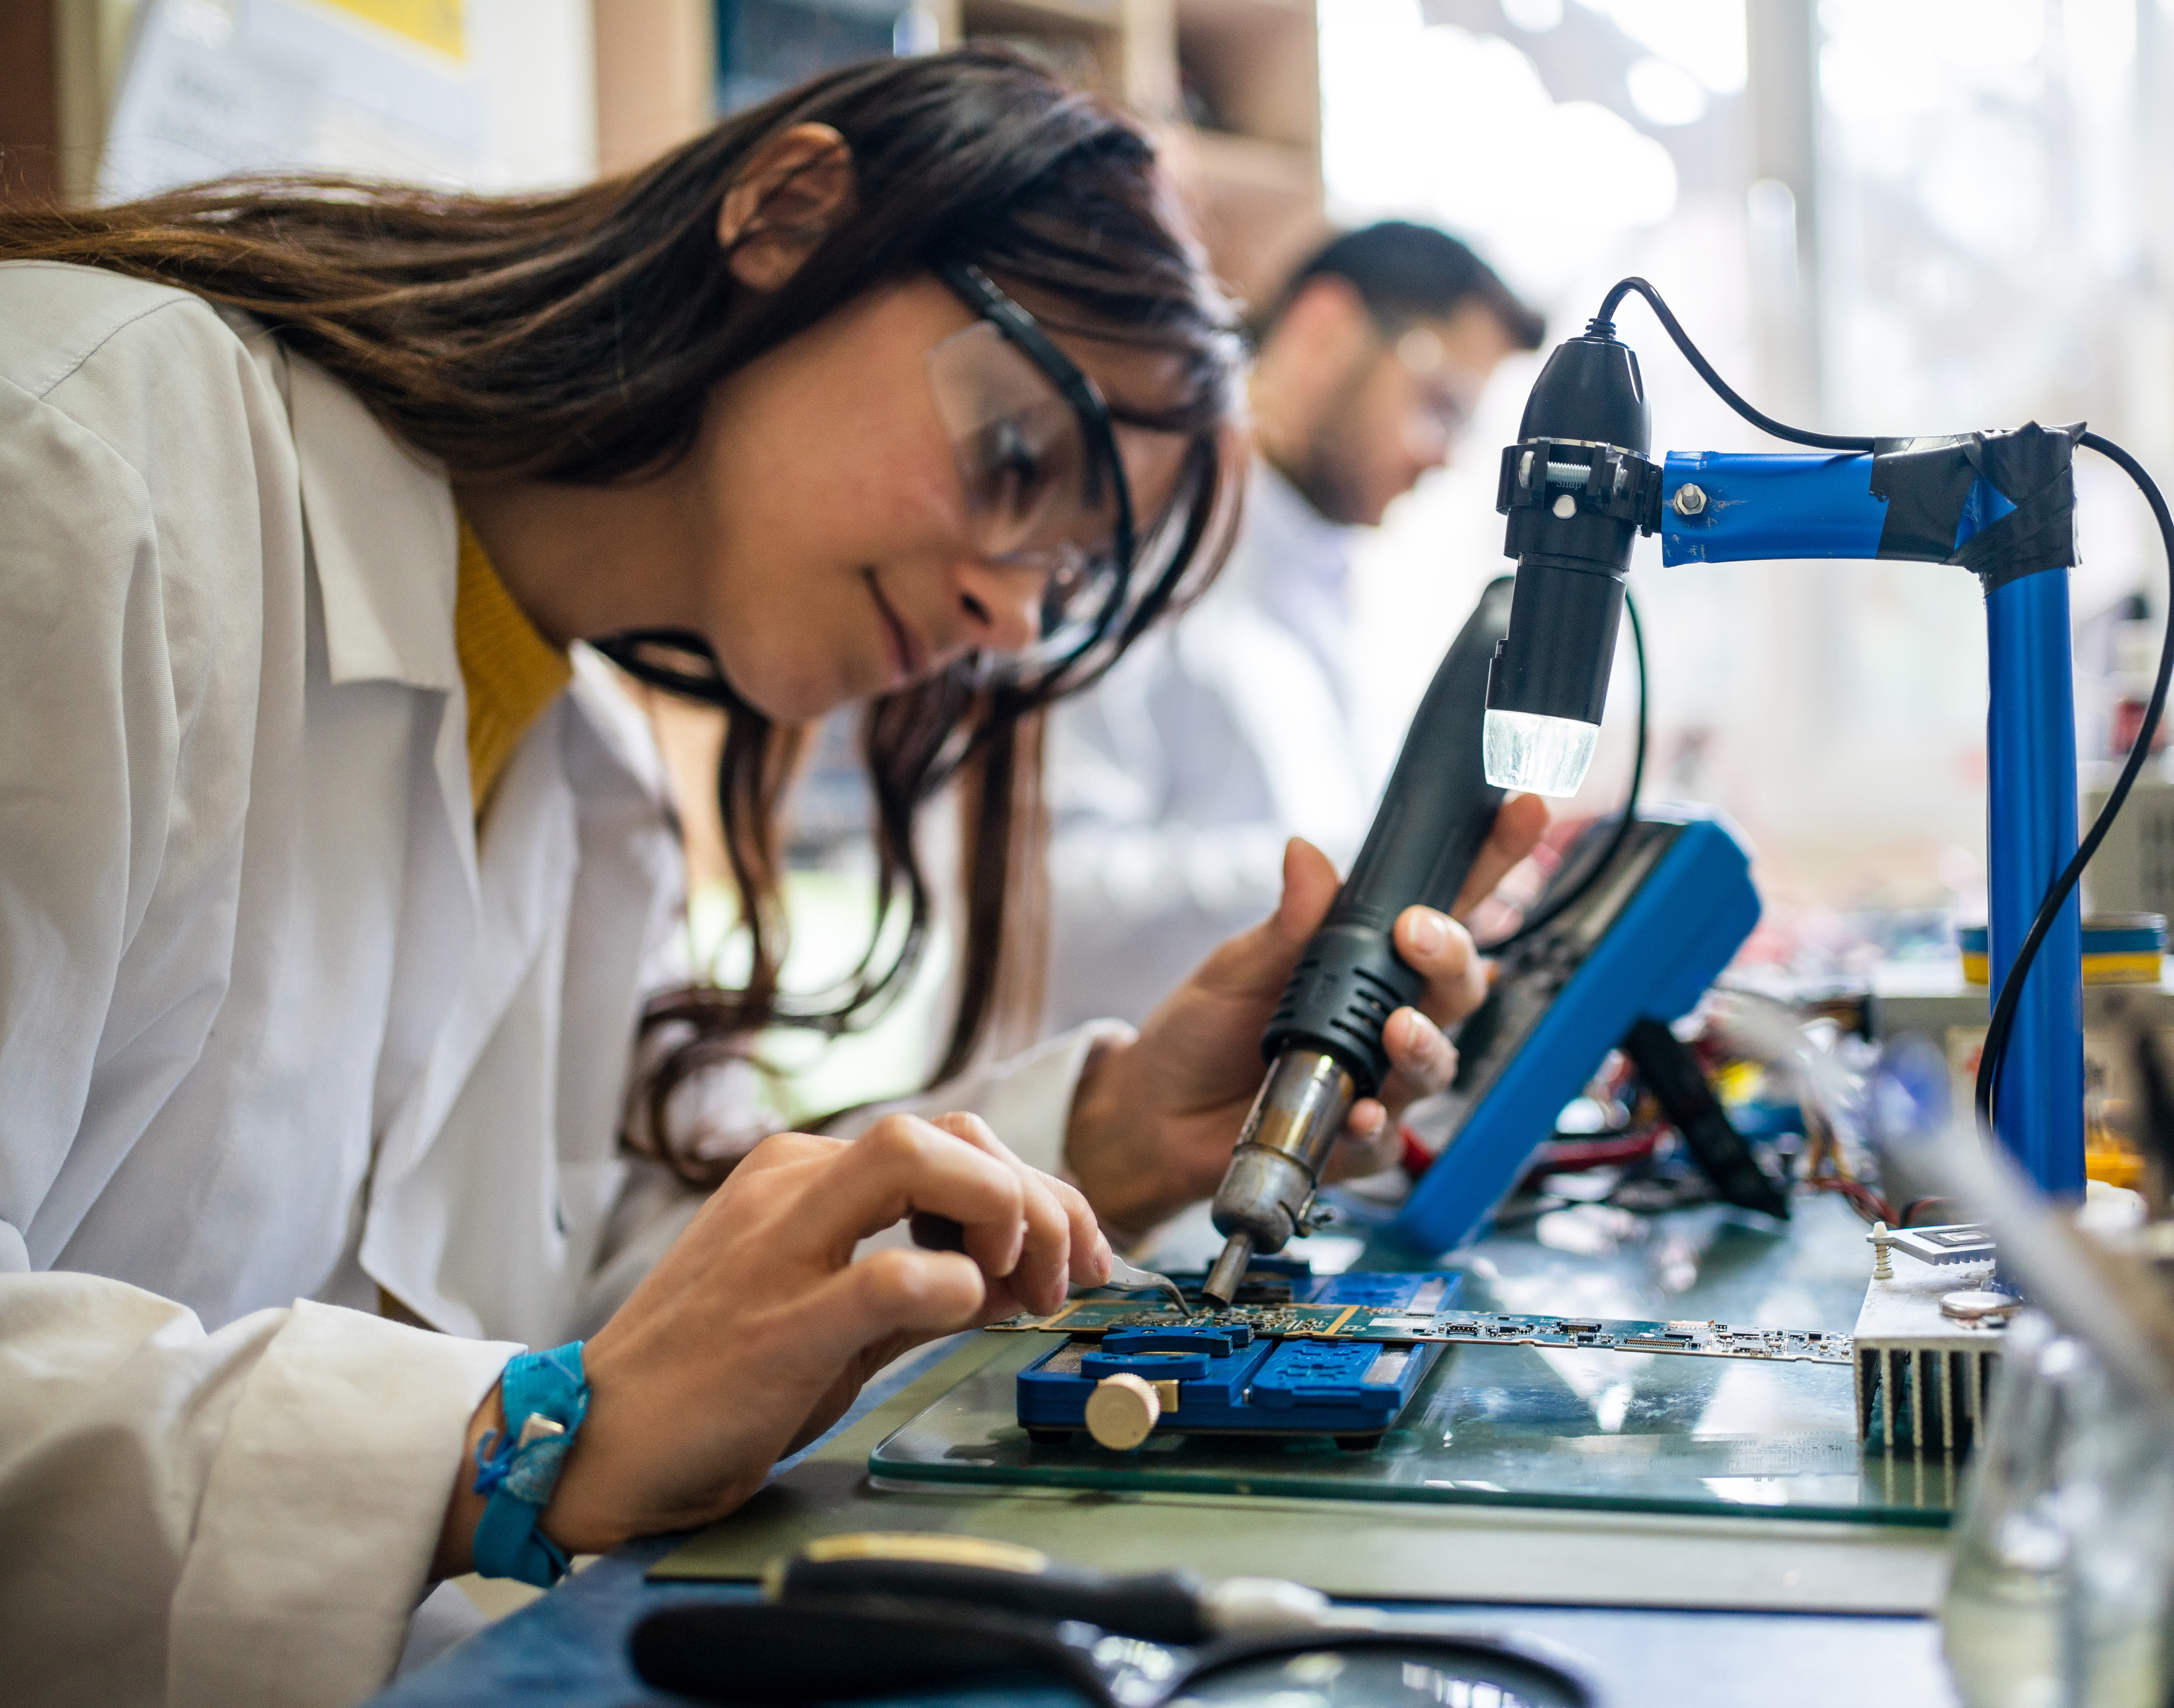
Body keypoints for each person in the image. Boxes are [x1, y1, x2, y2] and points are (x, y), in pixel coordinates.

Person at [0, 50, 1542, 1707]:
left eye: (1063, 575)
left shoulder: (587, 781)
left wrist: (1098, 1137)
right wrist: (517, 1445)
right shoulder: (81, 467)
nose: (1010, 618)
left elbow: (535, 1300)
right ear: (790, 217)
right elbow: (538, 1399)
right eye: (1015, 463)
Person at [1043, 223, 1547, 1033]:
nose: (1442, 457)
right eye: (1439, 405)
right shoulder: (1124, 556)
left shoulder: (1334, 589)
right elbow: (1041, 908)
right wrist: (1374, 877)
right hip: (1077, 1133)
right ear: (1324, 333)